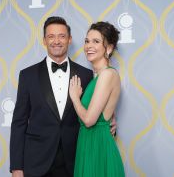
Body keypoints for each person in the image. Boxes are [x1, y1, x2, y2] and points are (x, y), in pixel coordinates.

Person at [10, 16, 116, 177]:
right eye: (51, 36)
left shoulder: (87, 74)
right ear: (44, 40)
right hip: (36, 162)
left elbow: (97, 106)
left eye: (62, 36)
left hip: (75, 160)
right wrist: (17, 167)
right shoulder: (27, 75)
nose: (56, 41)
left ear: (70, 39)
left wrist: (111, 120)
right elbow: (19, 122)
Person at [69, 21, 125, 177]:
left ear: (109, 48)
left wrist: (75, 98)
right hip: (89, 144)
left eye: (96, 41)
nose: (88, 46)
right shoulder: (98, 77)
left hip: (98, 147)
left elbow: (89, 120)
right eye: (87, 41)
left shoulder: (107, 74)